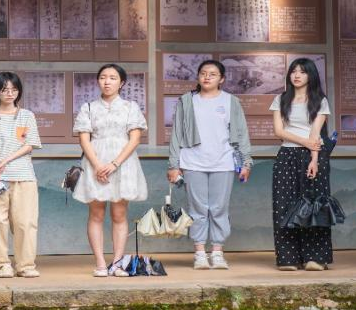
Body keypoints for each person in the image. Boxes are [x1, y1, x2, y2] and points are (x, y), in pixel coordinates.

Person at [167, 59, 253, 270]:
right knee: (197, 208)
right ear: (198, 76)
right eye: (203, 73)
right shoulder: (187, 101)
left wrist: (246, 162)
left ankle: (217, 252)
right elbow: (176, 134)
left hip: (223, 161)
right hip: (192, 162)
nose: (207, 77)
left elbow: (241, 133)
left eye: (213, 74)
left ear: (221, 79)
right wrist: (173, 165)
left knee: (219, 208)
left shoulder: (231, 101)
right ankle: (199, 253)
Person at [73, 64, 148, 277]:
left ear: (121, 83)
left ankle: (116, 264)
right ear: (98, 81)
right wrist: (97, 165)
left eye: (113, 78)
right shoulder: (88, 107)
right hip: (95, 162)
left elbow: (135, 139)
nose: (107, 81)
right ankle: (99, 263)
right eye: (103, 77)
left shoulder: (130, 107)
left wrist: (114, 164)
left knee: (119, 214)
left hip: (123, 163)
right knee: (96, 213)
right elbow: (84, 139)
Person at [0, 72, 42, 279]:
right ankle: (2, 265)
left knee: (25, 222)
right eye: (4, 90)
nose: (10, 93)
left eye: (14, 89)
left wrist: (3, 163)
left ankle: (25, 265)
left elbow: (29, 145)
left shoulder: (27, 115)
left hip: (24, 176)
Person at [270, 58, 331, 271]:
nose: (296, 75)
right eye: (293, 71)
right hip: (286, 154)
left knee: (313, 205)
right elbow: (279, 131)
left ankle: (315, 257)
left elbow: (316, 133)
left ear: (310, 75)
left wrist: (314, 159)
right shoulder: (280, 99)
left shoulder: (320, 100)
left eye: (302, 72)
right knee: (284, 205)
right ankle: (288, 257)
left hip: (313, 155)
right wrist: (304, 142)